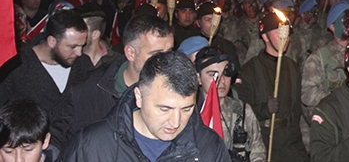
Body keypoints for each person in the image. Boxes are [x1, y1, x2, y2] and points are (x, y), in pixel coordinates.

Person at [57, 51, 231, 161]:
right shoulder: (92, 146)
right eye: (164, 109)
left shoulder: (209, 147)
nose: (176, 122)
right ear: (139, 97)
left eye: (186, 109)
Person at [50, 14, 174, 149]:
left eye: (169, 52)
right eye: (156, 54)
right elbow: (57, 141)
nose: (166, 61)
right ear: (131, 53)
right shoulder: (88, 92)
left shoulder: (178, 92)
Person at [236, 10, 309, 161]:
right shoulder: (250, 71)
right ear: (265, 37)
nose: (285, 39)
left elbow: (297, 108)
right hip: (266, 142)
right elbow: (239, 111)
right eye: (279, 34)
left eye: (287, 34)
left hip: (292, 143)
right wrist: (264, 109)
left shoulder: (292, 67)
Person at [0, 10, 89, 122]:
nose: (79, 53)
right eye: (73, 46)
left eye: (82, 46)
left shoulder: (83, 64)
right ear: (52, 41)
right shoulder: (16, 67)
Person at [195, 47, 266, 162]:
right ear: (198, 78)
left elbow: (257, 152)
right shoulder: (190, 113)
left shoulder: (243, 111)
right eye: (213, 75)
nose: (222, 81)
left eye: (226, 73)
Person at [301, 2, 349, 114]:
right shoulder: (319, 58)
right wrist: (336, 99)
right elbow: (306, 94)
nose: (348, 25)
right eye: (343, 21)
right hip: (332, 118)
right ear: (332, 26)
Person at [291, 0, 330, 67]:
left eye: (317, 12)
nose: (315, 14)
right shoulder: (294, 34)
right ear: (303, 14)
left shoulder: (321, 33)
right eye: (311, 12)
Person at [76, 3, 118, 69]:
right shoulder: (66, 59)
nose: (73, 33)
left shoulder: (117, 63)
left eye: (79, 29)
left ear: (95, 34)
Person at [233, 0, 262, 64]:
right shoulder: (236, 26)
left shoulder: (268, 22)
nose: (251, 6)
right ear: (242, 7)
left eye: (253, 2)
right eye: (247, 3)